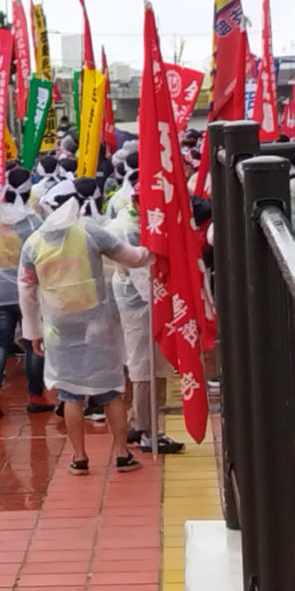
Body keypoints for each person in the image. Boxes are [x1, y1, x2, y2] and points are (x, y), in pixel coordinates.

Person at [19, 179, 151, 475]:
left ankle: (79, 458)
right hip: (97, 323)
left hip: (59, 327)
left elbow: (26, 289)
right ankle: (121, 454)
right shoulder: (90, 231)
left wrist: (33, 333)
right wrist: (155, 248)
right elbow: (132, 257)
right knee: (112, 391)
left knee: (69, 393)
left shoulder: (33, 242)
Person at [107, 188, 185, 455]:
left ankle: (139, 421)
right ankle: (148, 431)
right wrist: (162, 306)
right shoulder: (129, 229)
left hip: (140, 301)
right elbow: (141, 275)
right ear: (136, 201)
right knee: (146, 366)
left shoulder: (130, 222)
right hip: (141, 304)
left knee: (150, 363)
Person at [0, 167, 55, 417]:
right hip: (28, 292)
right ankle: (35, 395)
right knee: (33, 341)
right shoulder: (33, 222)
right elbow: (44, 257)